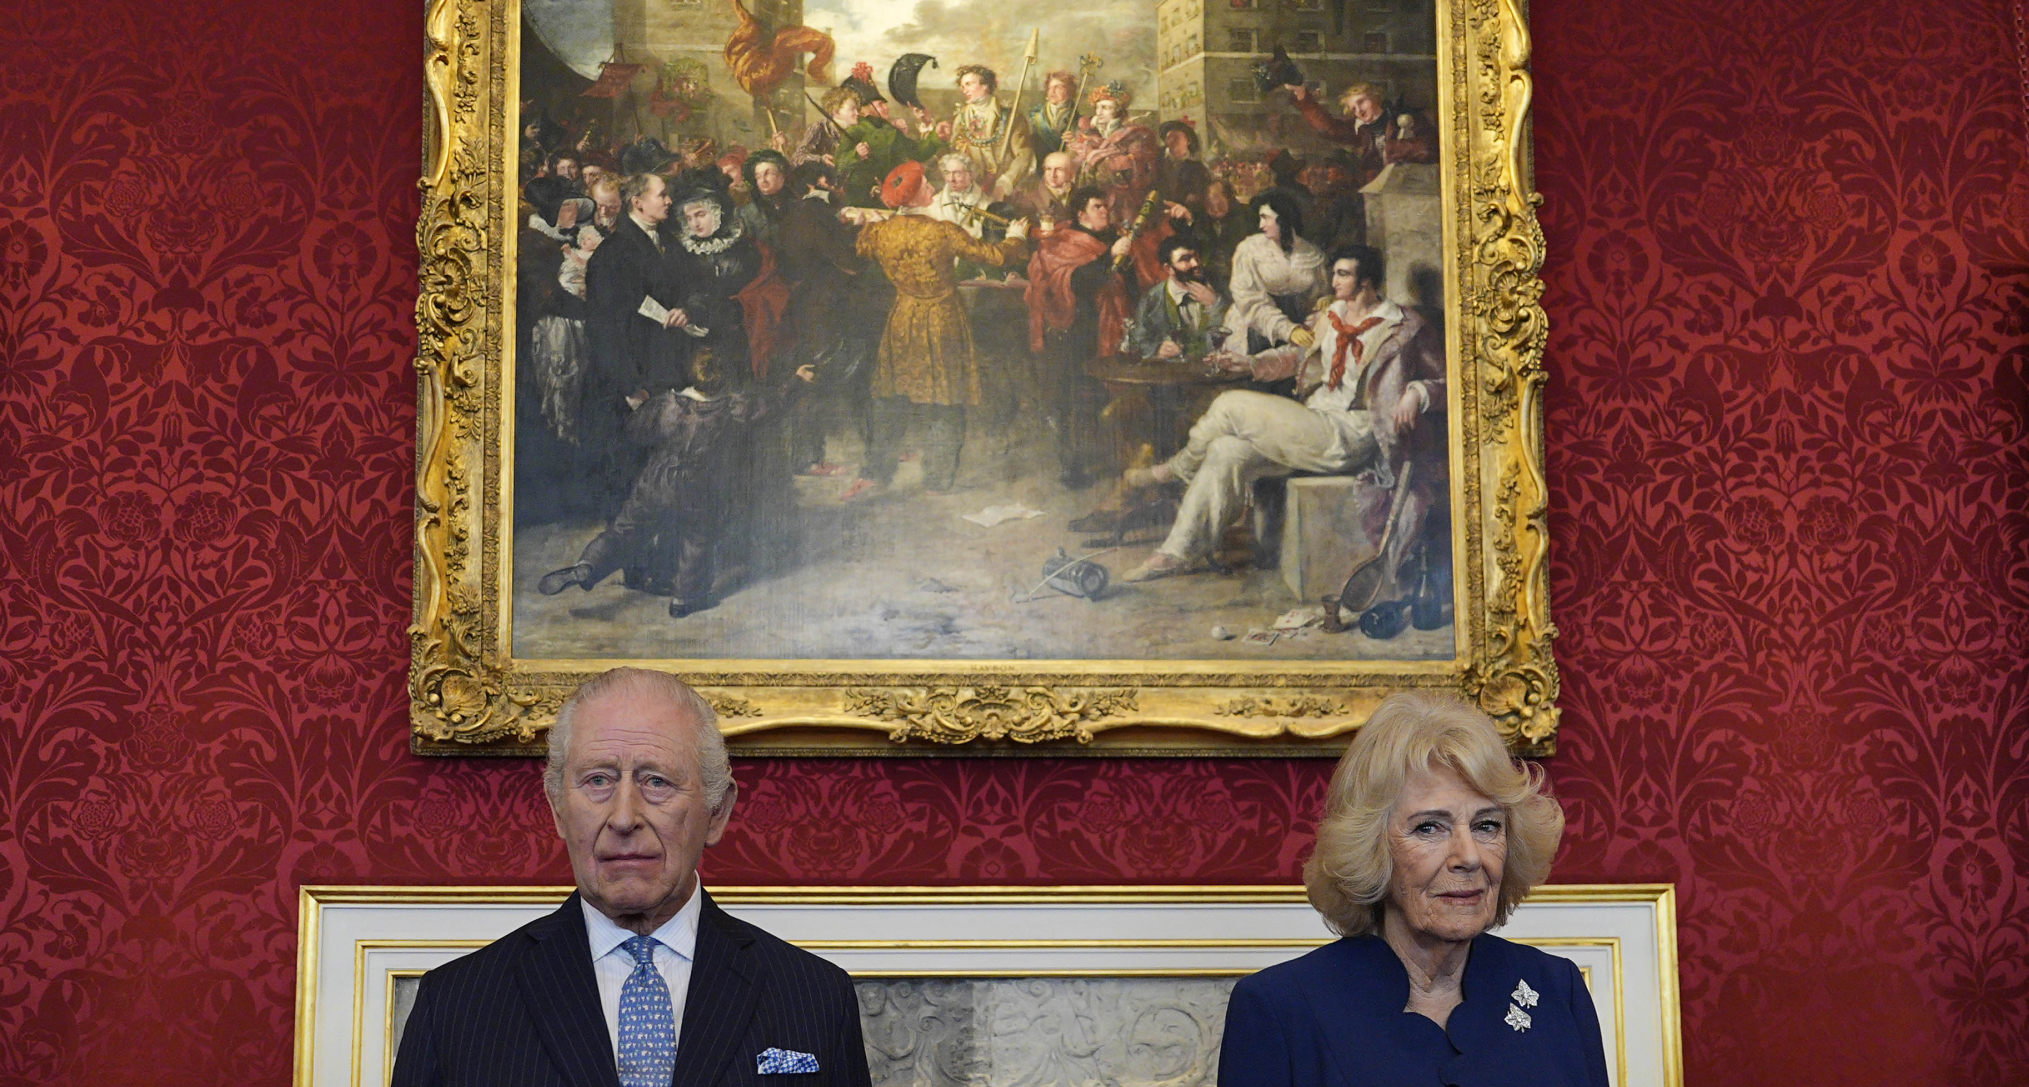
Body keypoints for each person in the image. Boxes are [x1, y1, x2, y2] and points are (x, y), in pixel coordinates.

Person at [392, 668, 876, 1087]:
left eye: (656, 781)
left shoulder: (814, 997)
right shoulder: (456, 1007)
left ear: (717, 811)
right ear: (558, 809)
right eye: (598, 780)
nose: (624, 817)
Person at [1218, 691, 1607, 1087]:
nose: (1468, 856)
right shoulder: (1279, 1009)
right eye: (1428, 827)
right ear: (1372, 848)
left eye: (1486, 825)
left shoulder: (1557, 988)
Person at [1121, 246, 1441, 583]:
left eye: (1343, 274)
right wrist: (1252, 363)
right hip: (1314, 421)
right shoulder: (1332, 315)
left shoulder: (1403, 327)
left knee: (1229, 404)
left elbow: (1448, 382)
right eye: (1334, 273)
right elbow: (1295, 357)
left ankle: (1175, 469)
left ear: (1366, 281)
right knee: (1225, 451)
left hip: (1351, 433)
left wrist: (1417, 392)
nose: (1333, 280)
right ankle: (1176, 552)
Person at [847, 160, 1030, 497]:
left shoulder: (879, 232)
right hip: (943, 316)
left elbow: (862, 247)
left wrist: (871, 220)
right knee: (945, 396)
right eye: (927, 186)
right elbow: (994, 256)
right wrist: (1016, 237)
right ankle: (937, 478)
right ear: (918, 196)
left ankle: (875, 472)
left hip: (903, 314)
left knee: (892, 393)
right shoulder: (942, 231)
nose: (934, 188)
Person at [1025, 185, 1135, 488]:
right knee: (1073, 400)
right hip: (1074, 332)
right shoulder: (1062, 242)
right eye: (1098, 207)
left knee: (1104, 396)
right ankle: (1073, 467)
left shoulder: (1115, 236)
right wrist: (1110, 258)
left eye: (1106, 207)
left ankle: (1110, 459)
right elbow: (1074, 283)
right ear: (1081, 213)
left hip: (1109, 327)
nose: (1104, 212)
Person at [1222, 191, 1328, 356]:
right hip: (1255, 327)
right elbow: (1250, 301)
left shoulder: (1311, 253)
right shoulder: (1250, 250)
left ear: (1284, 218)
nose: (1260, 225)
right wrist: (1288, 330)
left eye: (1265, 218)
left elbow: (1318, 293)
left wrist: (1324, 300)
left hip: (1300, 329)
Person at [1290, 81, 1437, 186]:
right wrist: (1301, 94)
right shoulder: (1361, 130)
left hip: (1415, 184)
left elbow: (1430, 147)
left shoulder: (1405, 117)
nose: (1359, 111)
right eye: (1353, 109)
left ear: (1375, 98)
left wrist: (1394, 150)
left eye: (1361, 102)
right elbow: (1328, 128)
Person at [1120, 237, 1228, 363]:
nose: (1195, 263)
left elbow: (1233, 337)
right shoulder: (1152, 299)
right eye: (1185, 259)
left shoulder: (1219, 290)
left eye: (1196, 256)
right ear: (1168, 269)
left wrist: (1215, 304)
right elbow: (1137, 342)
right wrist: (1157, 349)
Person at [944, 64, 1032, 199]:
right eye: (962, 86)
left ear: (985, 85)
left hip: (1009, 187)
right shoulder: (960, 119)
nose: (964, 90)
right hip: (974, 187)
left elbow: (1024, 155)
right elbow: (955, 154)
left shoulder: (1011, 117)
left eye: (969, 84)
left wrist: (1005, 183)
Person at [1026, 70, 1079, 167]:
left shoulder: (1078, 120)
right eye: (1050, 87)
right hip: (1038, 166)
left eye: (1058, 87)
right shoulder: (1035, 116)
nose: (1052, 91)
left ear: (1070, 91)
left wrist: (1075, 141)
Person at [1013, 150, 1079, 226]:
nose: (1053, 175)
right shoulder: (1030, 200)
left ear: (1070, 173)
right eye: (1048, 169)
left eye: (1059, 169)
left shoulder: (1078, 194)